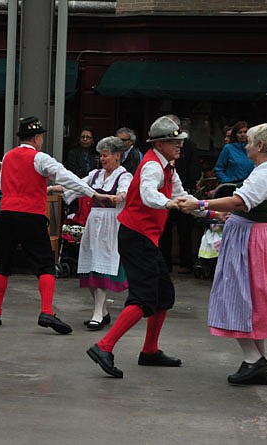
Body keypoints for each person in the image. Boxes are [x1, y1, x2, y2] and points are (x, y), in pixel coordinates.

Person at [178, 123, 267, 385]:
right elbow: (243, 204)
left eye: (249, 142)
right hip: (254, 235)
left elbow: (240, 201)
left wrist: (200, 203)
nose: (245, 146)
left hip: (253, 239)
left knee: (237, 298)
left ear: (260, 146)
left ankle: (255, 361)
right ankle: (254, 361)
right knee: (251, 300)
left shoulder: (265, 172)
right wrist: (211, 211)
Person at [86, 116, 200, 378]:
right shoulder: (152, 166)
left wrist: (209, 210)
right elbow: (150, 194)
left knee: (163, 294)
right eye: (175, 141)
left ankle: (149, 350)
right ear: (160, 144)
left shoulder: (168, 166)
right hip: (136, 237)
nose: (180, 145)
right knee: (145, 297)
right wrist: (168, 204)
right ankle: (104, 346)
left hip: (144, 237)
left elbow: (181, 195)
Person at [0, 116, 109, 333]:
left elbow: (14, 185)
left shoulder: (7, 157)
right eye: (41, 137)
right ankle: (46, 311)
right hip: (31, 216)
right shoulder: (40, 158)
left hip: (6, 214)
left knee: (2, 264)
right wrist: (91, 192)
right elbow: (65, 176)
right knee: (45, 265)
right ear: (36, 138)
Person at [61, 136, 132, 330]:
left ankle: (97, 313)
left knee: (101, 271)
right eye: (101, 155)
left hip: (111, 225)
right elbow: (76, 186)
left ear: (117, 156)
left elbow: (125, 192)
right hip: (94, 223)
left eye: (106, 155)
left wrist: (120, 196)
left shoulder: (124, 176)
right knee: (90, 268)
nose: (102, 159)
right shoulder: (95, 175)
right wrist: (52, 187)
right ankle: (102, 311)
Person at [159, 115, 201, 274]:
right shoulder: (155, 160)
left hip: (182, 191)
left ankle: (186, 263)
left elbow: (194, 169)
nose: (178, 146)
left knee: (185, 230)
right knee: (165, 230)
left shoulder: (188, 146)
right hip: (164, 197)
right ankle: (165, 264)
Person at [213, 120, 254, 185]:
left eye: (245, 132)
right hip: (233, 185)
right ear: (235, 134)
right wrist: (227, 181)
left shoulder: (253, 148)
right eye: (239, 132)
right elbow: (218, 169)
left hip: (249, 185)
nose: (242, 135)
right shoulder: (228, 148)